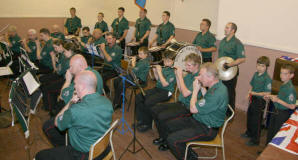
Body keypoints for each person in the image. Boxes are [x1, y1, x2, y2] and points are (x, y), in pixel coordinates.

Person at [35, 70, 113, 160]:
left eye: (75, 84)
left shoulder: (75, 110)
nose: (74, 86)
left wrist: (70, 103)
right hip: (103, 148)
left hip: (83, 154)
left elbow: (57, 122)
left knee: (39, 156)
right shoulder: (107, 102)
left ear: (82, 86)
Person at [157, 63, 228, 160]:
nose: (198, 77)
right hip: (199, 120)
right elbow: (207, 98)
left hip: (207, 129)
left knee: (173, 140)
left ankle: (189, 158)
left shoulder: (218, 92)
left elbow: (193, 109)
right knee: (168, 124)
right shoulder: (216, 85)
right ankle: (190, 154)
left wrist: (195, 90)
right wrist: (202, 87)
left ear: (211, 77)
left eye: (201, 75)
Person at [151, 53, 201, 146]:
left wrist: (180, 76)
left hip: (188, 108)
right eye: (186, 65)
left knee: (163, 116)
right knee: (155, 110)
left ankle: (167, 141)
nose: (186, 67)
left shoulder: (198, 78)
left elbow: (185, 94)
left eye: (189, 65)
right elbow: (180, 88)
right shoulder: (190, 74)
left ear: (196, 65)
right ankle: (163, 137)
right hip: (180, 103)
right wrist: (178, 76)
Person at [135, 50, 176, 132]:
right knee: (139, 96)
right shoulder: (165, 68)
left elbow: (165, 84)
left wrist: (159, 72)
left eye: (168, 61)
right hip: (158, 88)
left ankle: (147, 123)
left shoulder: (174, 71)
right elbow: (158, 80)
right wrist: (156, 73)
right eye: (164, 60)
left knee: (149, 101)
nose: (165, 62)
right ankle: (141, 120)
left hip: (167, 92)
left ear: (173, 61)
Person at [241, 56, 272, 146]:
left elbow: (267, 92)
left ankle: (255, 140)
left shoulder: (267, 78)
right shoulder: (255, 74)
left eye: (262, 66)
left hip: (259, 101)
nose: (259, 67)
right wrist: (248, 93)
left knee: (256, 121)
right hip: (253, 99)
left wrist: (254, 93)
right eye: (258, 65)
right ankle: (249, 132)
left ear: (266, 67)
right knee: (250, 116)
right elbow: (251, 85)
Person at [218, 22, 246, 116]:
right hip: (221, 71)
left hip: (230, 72)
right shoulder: (223, 40)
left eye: (227, 28)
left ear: (233, 30)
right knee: (220, 90)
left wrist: (229, 65)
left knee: (229, 93)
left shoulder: (237, 43)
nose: (225, 29)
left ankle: (230, 113)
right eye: (225, 27)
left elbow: (242, 59)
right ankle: (220, 109)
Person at [264, 64, 296, 144]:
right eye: (281, 73)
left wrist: (277, 100)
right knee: (271, 131)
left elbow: (292, 106)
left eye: (285, 74)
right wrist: (270, 96)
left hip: (282, 114)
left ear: (291, 75)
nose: (282, 75)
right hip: (276, 110)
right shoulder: (284, 84)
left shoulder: (290, 89)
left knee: (276, 133)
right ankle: (266, 148)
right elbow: (280, 96)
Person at [39, 40, 75, 112]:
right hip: (66, 78)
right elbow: (58, 69)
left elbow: (58, 71)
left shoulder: (68, 60)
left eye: (65, 51)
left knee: (47, 88)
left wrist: (54, 59)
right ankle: (52, 104)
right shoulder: (69, 57)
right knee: (46, 84)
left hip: (69, 82)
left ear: (70, 51)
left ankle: (50, 108)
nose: (63, 53)